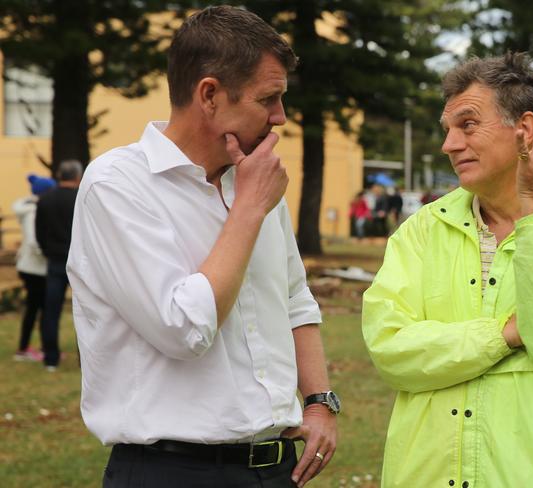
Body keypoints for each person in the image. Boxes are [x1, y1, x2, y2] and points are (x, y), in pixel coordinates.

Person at [66, 6, 338, 488]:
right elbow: (183, 328)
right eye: (268, 99)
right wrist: (249, 210)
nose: (280, 118)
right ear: (209, 95)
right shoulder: (116, 185)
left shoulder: (253, 181)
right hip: (171, 471)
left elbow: (295, 299)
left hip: (277, 468)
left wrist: (319, 402)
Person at [362, 52, 533, 487]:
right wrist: (507, 336)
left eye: (468, 125)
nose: (449, 144)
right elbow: (391, 352)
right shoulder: (421, 231)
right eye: (447, 130)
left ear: (524, 130)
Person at [35, 160, 82, 371]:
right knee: (87, 312)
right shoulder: (81, 198)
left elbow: (39, 233)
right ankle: (85, 358)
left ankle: (51, 358)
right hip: (80, 262)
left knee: (50, 310)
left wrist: (47, 251)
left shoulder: (45, 199)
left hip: (55, 260)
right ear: (77, 177)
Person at [12, 174, 56, 361]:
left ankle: (38, 347)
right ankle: (25, 349)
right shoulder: (33, 212)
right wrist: (48, 255)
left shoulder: (30, 207)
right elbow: (33, 241)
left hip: (32, 266)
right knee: (36, 309)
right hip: (35, 268)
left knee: (38, 308)